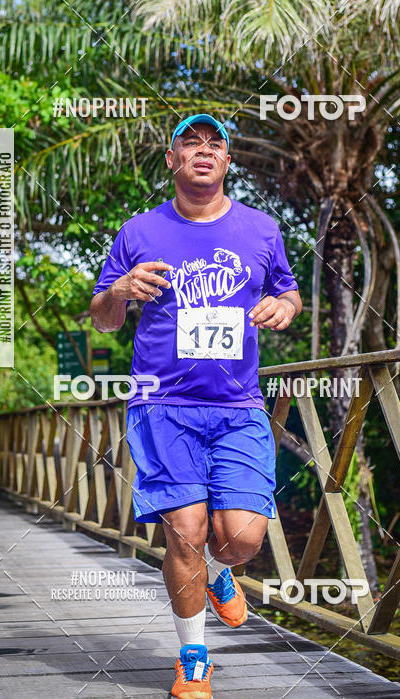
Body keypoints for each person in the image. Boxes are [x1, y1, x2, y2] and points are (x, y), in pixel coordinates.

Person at [90, 114, 302, 698]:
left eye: (215, 144)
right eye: (191, 143)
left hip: (238, 406)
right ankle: (193, 659)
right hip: (163, 404)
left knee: (242, 539)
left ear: (228, 161)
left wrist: (286, 307)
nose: (203, 151)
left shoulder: (261, 230)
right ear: (172, 159)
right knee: (185, 533)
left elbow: (287, 290)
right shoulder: (138, 231)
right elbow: (104, 319)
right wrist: (119, 291)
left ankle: (222, 571)